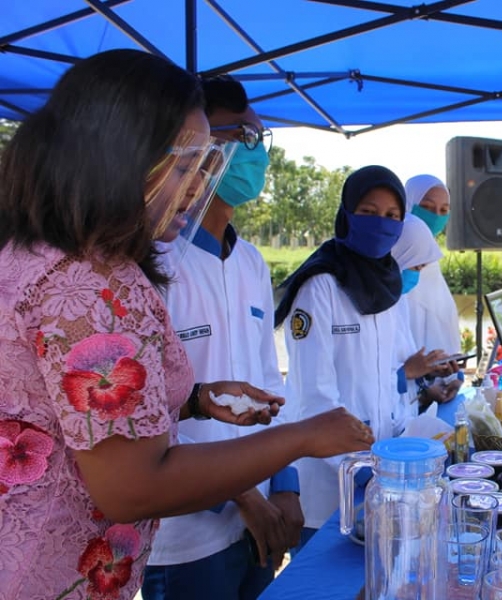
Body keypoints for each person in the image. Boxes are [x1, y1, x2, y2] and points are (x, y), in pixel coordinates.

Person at [0, 49, 373, 600]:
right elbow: (132, 486)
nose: (198, 185)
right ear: (118, 154)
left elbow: (62, 410)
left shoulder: (38, 254)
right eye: (184, 164)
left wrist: (193, 399)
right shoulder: (92, 285)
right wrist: (301, 438)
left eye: (206, 165)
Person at [143, 76, 299, 600]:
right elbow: (150, 409)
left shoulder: (252, 262)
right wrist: (244, 494)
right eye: (245, 139)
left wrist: (285, 485)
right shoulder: (153, 261)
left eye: (262, 141)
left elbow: (267, 378)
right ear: (204, 144)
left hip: (257, 519)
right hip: (185, 533)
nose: (258, 156)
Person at [274, 166, 450, 540]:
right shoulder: (321, 286)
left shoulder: (388, 288)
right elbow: (313, 396)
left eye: (392, 217)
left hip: (380, 483)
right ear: (347, 214)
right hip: (330, 486)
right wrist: (364, 467)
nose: (381, 224)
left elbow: (388, 375)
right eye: (368, 213)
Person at [403, 174, 464, 400]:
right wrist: (422, 387)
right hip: (401, 396)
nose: (436, 216)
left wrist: (454, 378)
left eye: (443, 210)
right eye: (427, 207)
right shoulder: (395, 263)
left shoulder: (432, 264)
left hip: (439, 390)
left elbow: (442, 325)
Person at [390, 213, 459, 411]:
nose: (416, 276)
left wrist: (429, 376)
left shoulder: (398, 301)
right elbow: (358, 383)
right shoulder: (368, 308)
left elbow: (404, 366)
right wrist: (407, 373)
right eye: (415, 267)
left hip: (403, 416)